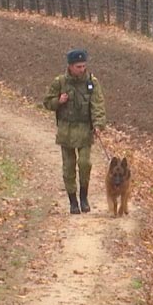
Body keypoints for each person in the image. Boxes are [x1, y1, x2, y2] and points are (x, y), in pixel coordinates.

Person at [44, 48, 107, 213]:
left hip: (85, 129)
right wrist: (58, 101)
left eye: (84, 66)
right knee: (68, 167)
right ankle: (73, 201)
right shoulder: (60, 82)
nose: (82, 69)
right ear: (70, 66)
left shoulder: (92, 82)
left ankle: (84, 197)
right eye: (78, 66)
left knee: (85, 163)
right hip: (66, 129)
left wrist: (99, 124)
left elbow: (98, 104)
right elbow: (47, 103)